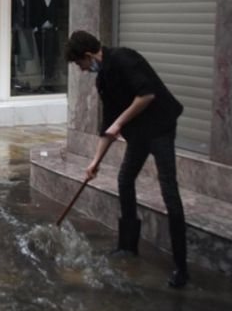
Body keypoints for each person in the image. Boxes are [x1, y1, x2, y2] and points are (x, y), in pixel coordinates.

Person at [65, 30, 189, 288]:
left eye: (80, 64)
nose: (81, 69)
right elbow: (108, 124)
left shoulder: (124, 58)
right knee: (124, 180)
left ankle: (181, 267)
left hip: (160, 127)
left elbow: (147, 95)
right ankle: (128, 246)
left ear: (89, 55)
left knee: (168, 189)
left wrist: (120, 122)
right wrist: (94, 163)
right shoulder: (103, 80)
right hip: (139, 133)